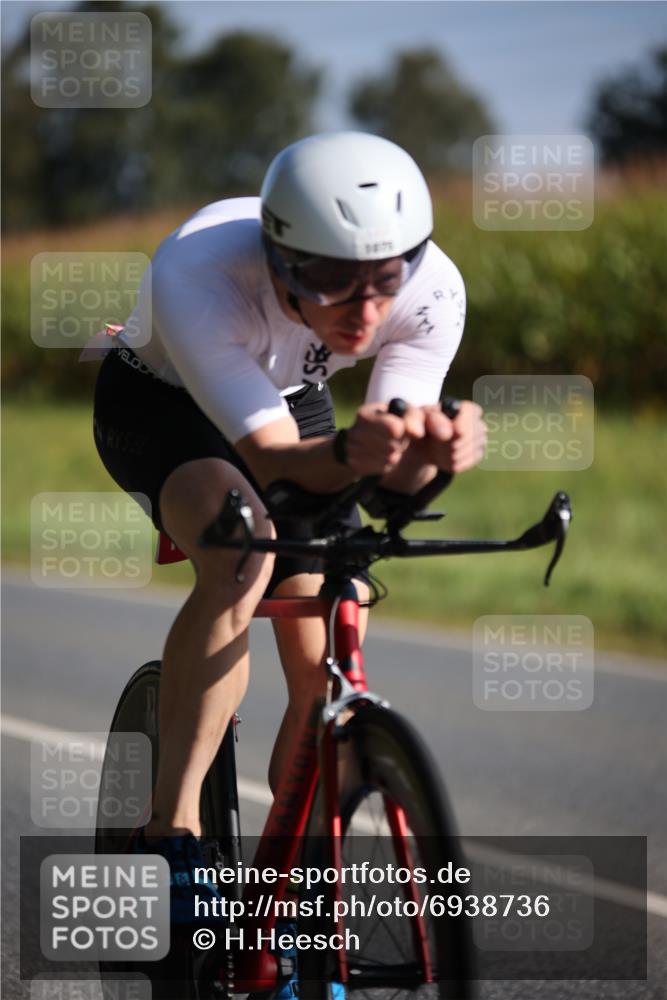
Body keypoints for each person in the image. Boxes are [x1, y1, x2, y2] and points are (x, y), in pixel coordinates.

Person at [93, 130, 486, 993]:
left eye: (384, 280)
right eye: (331, 282)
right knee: (239, 552)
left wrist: (436, 451)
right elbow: (272, 462)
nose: (365, 309)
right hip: (165, 406)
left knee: (332, 612)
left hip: (291, 399)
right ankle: (173, 831)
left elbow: (385, 461)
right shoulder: (196, 271)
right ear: (275, 257)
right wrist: (362, 453)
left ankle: (303, 876)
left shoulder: (431, 287)